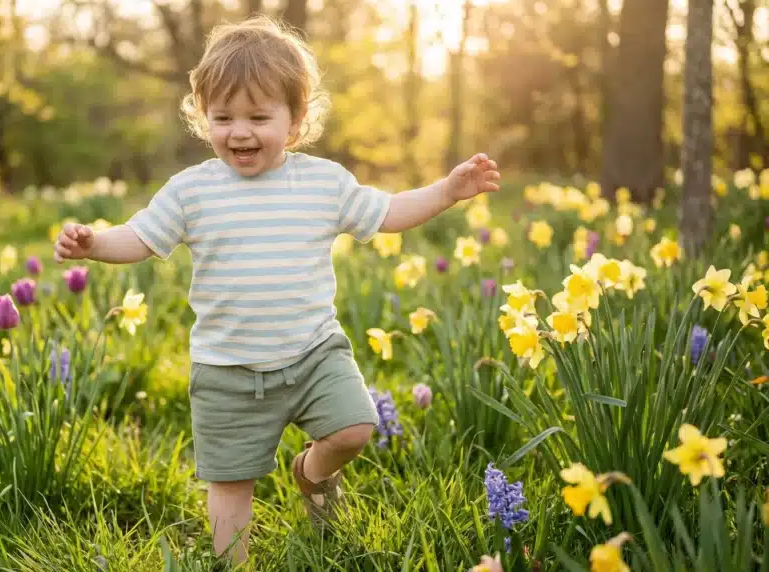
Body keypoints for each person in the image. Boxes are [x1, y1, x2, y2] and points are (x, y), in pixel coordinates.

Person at [53, 14, 500, 566]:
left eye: (258, 117)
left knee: (358, 428)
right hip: (227, 369)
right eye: (223, 117)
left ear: (295, 121)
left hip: (313, 351)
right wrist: (93, 243)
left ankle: (310, 473)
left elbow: (387, 212)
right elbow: (140, 238)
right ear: (203, 118)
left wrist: (446, 191)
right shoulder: (192, 191)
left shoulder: (322, 182)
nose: (239, 132)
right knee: (231, 485)